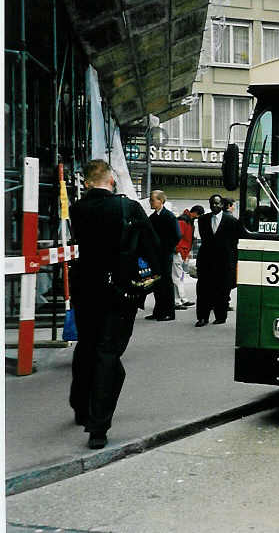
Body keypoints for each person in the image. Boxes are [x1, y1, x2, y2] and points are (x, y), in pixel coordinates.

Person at [69, 159, 161, 449]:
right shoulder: (128, 207)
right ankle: (98, 427)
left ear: (87, 183)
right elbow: (152, 246)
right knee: (108, 354)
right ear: (112, 180)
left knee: (86, 345)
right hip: (118, 291)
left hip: (85, 290)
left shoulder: (77, 209)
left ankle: (80, 407)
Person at [195, 194, 242, 327]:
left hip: (224, 262)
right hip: (206, 261)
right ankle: (202, 317)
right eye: (212, 203)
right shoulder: (203, 220)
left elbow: (234, 243)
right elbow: (204, 239)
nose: (214, 206)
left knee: (222, 290)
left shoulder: (232, 221)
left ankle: (220, 316)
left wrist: (233, 262)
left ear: (222, 205)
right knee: (203, 290)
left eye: (217, 203)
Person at [146, 190, 180, 321]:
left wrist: (167, 248)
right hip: (155, 255)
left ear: (161, 201)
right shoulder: (152, 217)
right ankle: (158, 311)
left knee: (166, 283)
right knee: (157, 283)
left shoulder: (169, 216)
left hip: (165, 254)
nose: (150, 202)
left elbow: (177, 235)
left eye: (152, 200)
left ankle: (169, 312)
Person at [174, 205, 204, 309]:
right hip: (180, 252)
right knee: (177, 277)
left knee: (179, 277)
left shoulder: (185, 220)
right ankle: (177, 301)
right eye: (199, 215)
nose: (198, 217)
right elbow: (178, 236)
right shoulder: (184, 221)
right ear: (195, 213)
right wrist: (179, 250)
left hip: (181, 252)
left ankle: (181, 299)